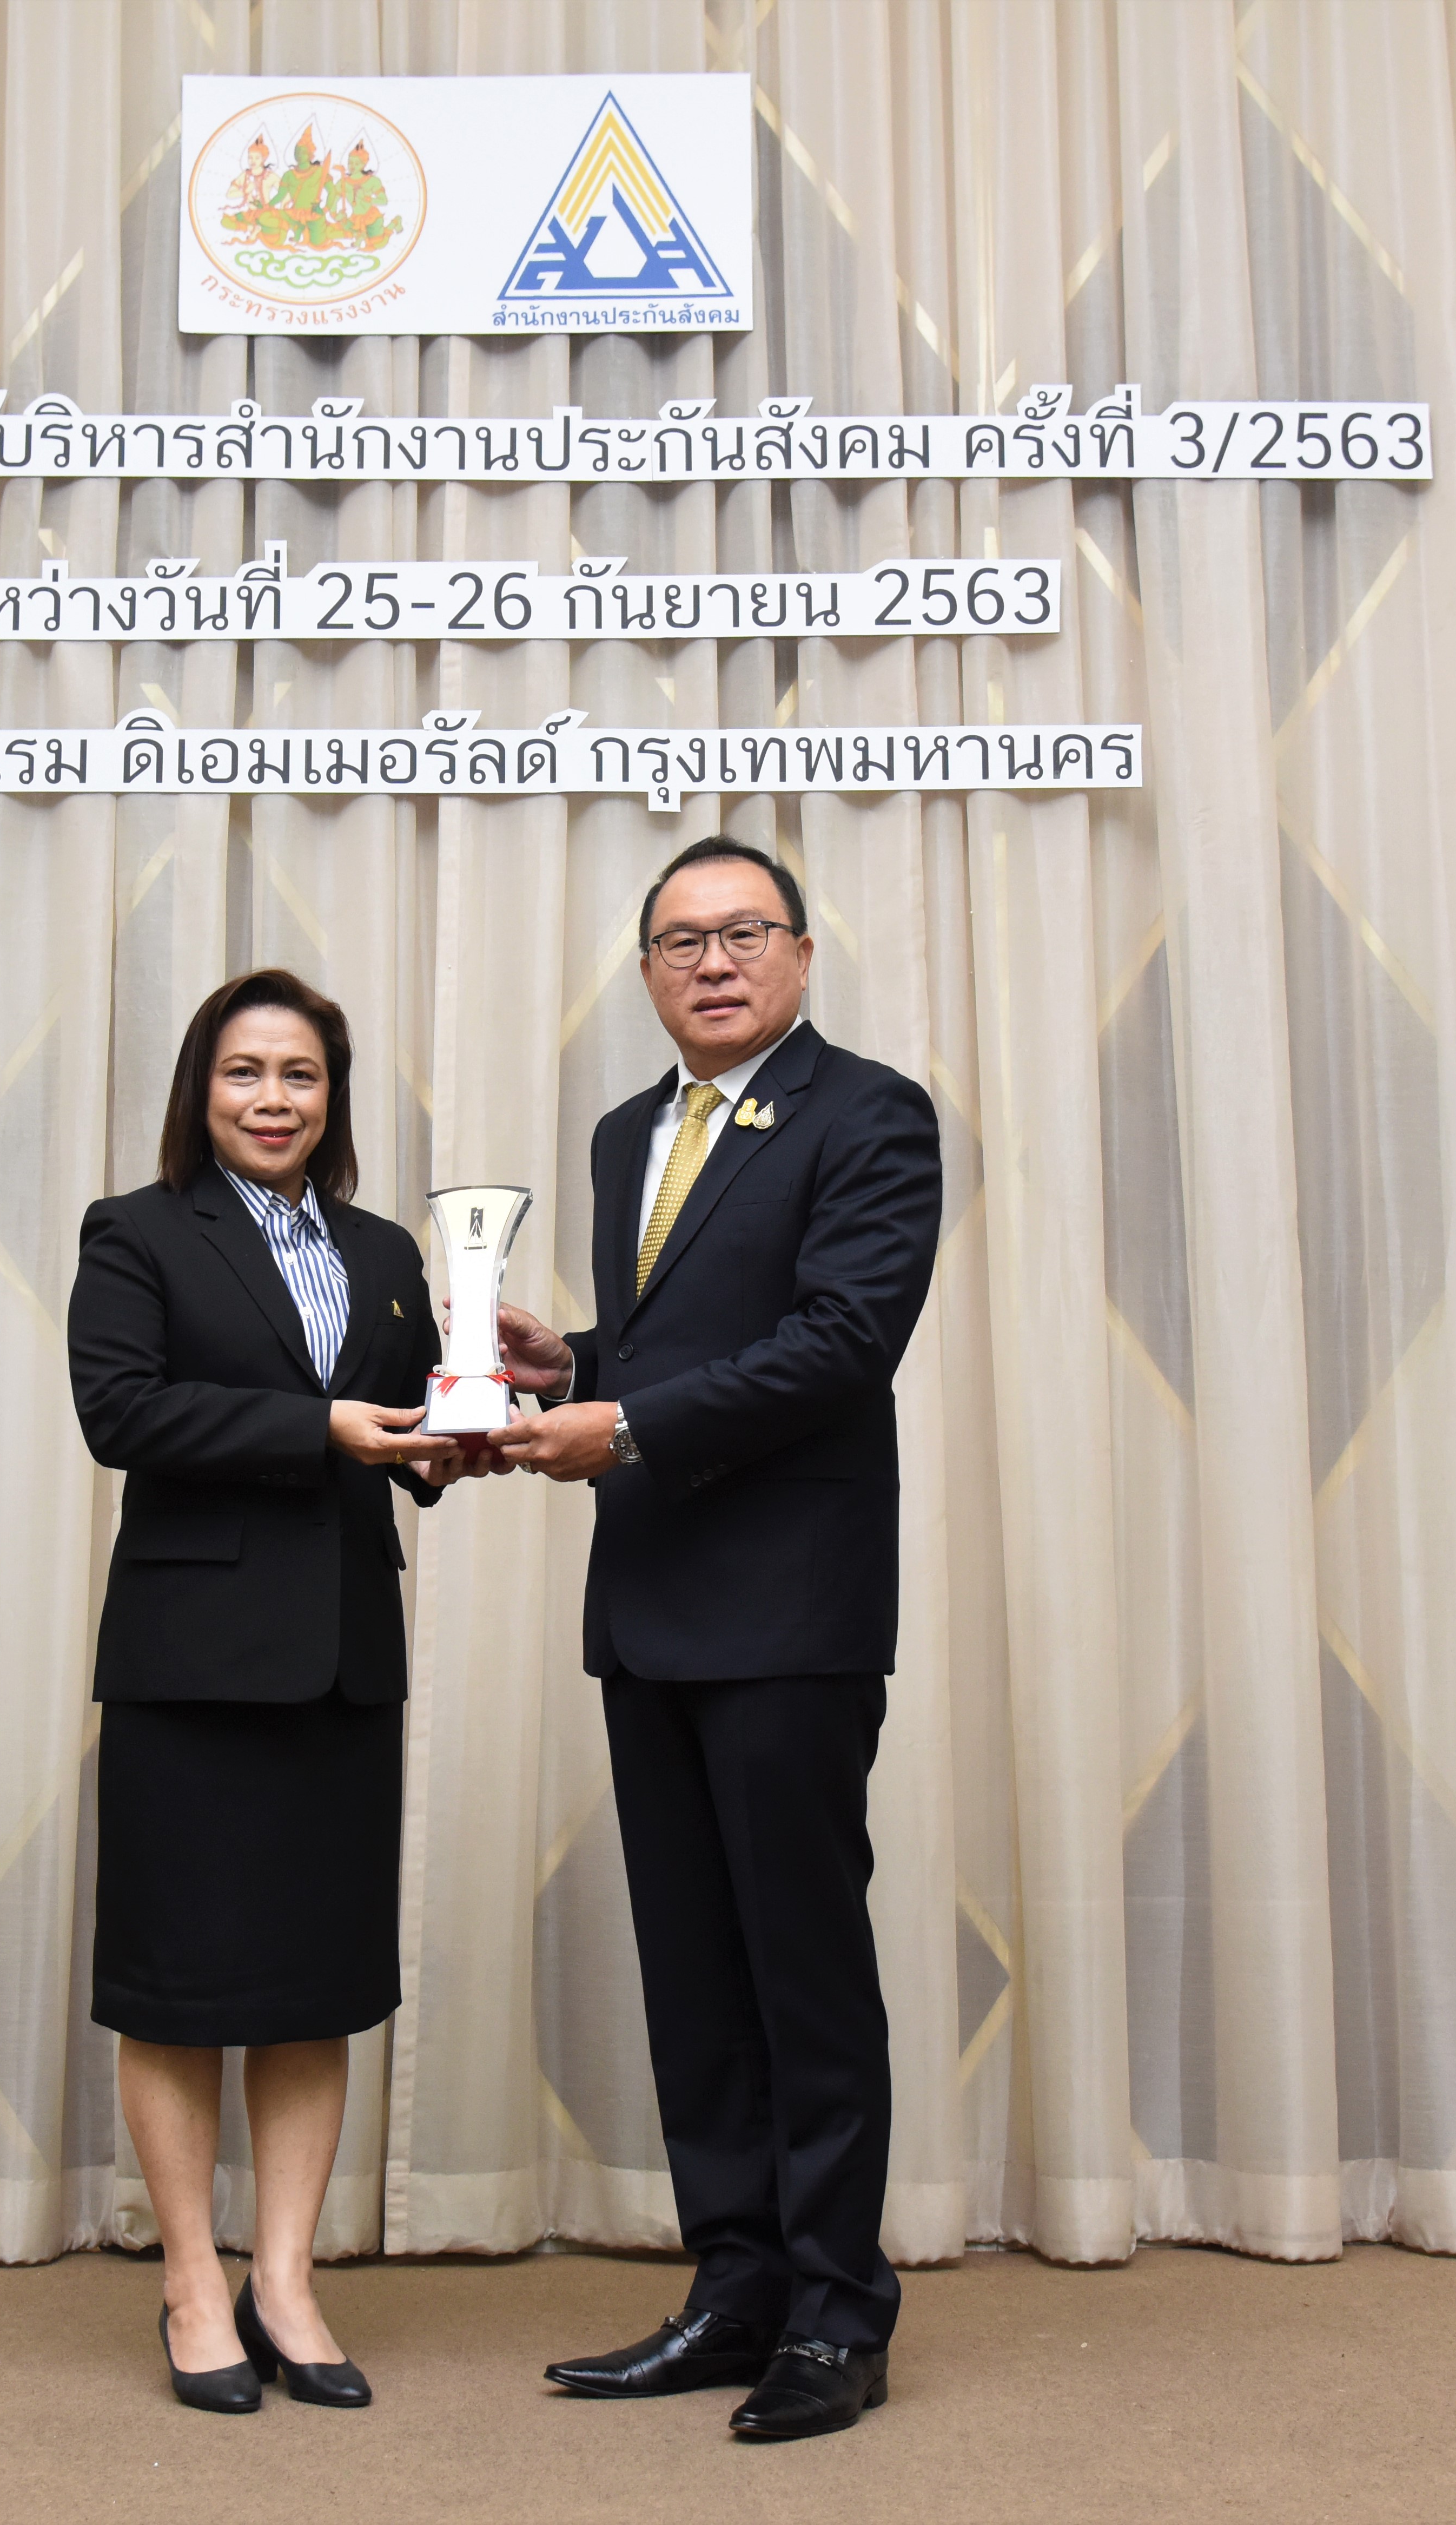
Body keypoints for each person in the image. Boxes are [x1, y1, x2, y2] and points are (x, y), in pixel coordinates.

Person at [490, 839, 942, 2442]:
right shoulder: (629, 1133)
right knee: (694, 1979)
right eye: (681, 941)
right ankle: (735, 2288)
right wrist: (572, 1367)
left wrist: (619, 1427)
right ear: (646, 975)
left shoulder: (870, 1114)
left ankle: (836, 2316)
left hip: (791, 1612)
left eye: (744, 932)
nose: (714, 961)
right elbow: (685, 1345)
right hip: (652, 1608)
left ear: (802, 955)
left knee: (801, 1971)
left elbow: (839, 1342)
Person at [66, 968, 480, 2415]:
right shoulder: (135, 1232)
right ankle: (193, 2281)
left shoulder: (383, 1248)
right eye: (243, 1072)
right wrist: (323, 1429)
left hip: (343, 1664)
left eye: (300, 1074)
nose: (272, 1098)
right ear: (201, 1089)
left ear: (331, 1097)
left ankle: (286, 2279)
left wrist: (454, 1439)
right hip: (191, 1667)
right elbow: (121, 1410)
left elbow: (406, 1427)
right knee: (181, 1988)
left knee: (314, 1987)